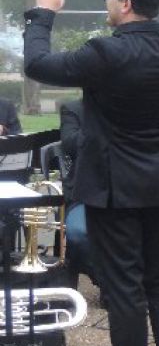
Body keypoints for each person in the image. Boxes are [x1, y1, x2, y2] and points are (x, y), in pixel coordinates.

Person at [23, 0, 159, 346]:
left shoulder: (106, 53)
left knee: (124, 290)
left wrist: (43, 13)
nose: (106, 2)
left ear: (126, 5)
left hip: (115, 188)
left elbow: (38, 64)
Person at [59, 100, 92, 288]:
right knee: (78, 233)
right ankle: (103, 278)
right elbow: (70, 143)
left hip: (126, 193)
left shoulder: (125, 107)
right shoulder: (73, 109)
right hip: (84, 192)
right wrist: (100, 125)